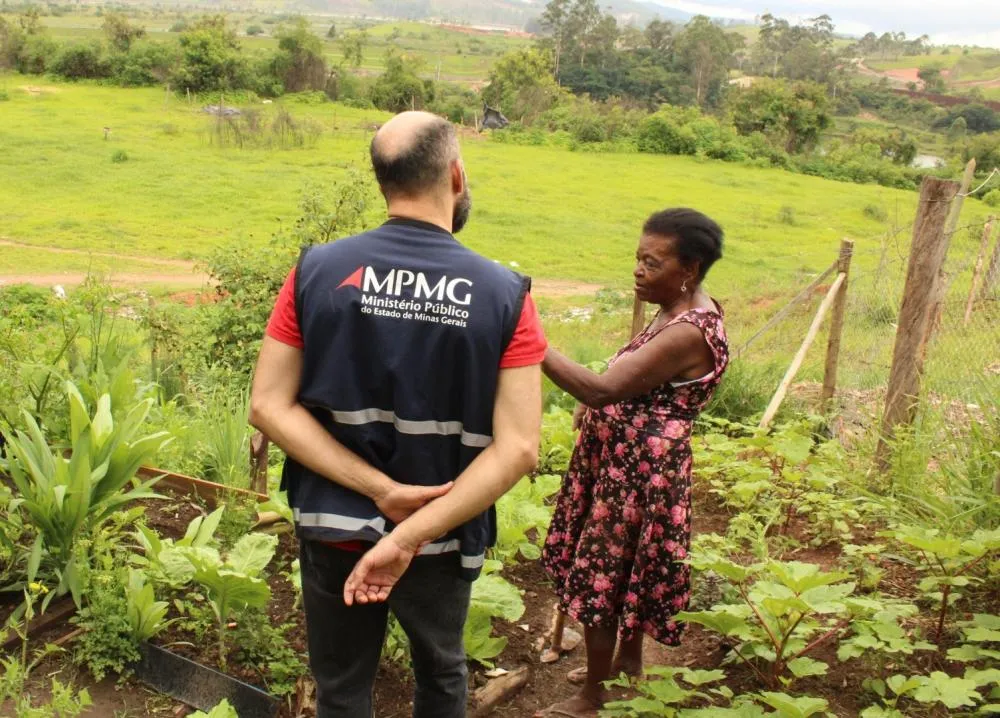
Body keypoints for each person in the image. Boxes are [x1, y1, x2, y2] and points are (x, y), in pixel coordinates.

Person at [249, 111, 546, 718]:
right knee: (441, 677)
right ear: (457, 175)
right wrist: (415, 531)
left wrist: (380, 490)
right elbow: (519, 448)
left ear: (383, 182)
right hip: (442, 534)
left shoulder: (315, 271)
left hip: (335, 529)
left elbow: (267, 405)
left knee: (341, 688)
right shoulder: (504, 295)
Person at [534, 208, 729, 718]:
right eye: (638, 259)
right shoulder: (678, 311)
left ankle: (591, 697)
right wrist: (599, 400)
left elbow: (604, 389)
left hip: (636, 472)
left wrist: (527, 335)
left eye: (652, 262)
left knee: (604, 572)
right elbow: (633, 379)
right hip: (631, 463)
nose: (639, 271)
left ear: (690, 266)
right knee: (629, 566)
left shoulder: (688, 330)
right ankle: (629, 662)